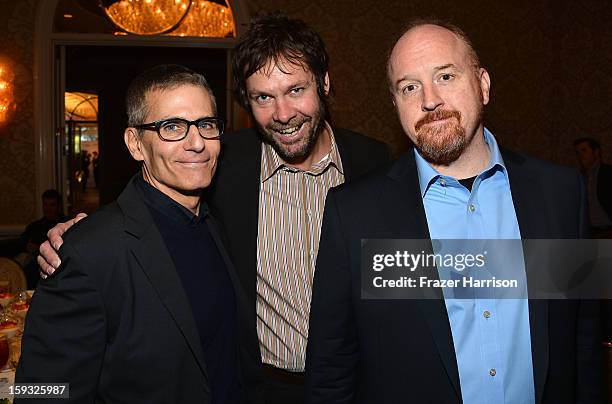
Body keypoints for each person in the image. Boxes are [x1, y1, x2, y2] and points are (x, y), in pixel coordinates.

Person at [37, 13, 391, 403]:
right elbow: (42, 388)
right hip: (264, 389)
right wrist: (75, 236)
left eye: (296, 90)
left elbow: (402, 274)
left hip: (359, 385)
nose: (283, 113)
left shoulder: (375, 163)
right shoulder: (228, 165)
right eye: (263, 97)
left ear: (323, 83)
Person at [305, 20, 604, 403]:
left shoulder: (560, 193)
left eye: (445, 76)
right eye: (409, 87)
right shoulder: (355, 213)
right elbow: (332, 368)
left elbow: (584, 341)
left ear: (483, 85)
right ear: (395, 103)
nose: (429, 99)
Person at [17, 64, 242, 403]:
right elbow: (39, 392)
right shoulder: (86, 252)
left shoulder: (216, 224)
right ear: (136, 144)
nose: (197, 143)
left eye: (206, 125)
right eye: (172, 127)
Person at [17, 189, 67, 288]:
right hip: (35, 270)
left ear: (58, 206)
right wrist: (27, 245)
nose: (48, 209)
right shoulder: (35, 226)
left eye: (52, 205)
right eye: (45, 204)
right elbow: (21, 241)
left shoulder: (66, 225)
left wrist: (39, 248)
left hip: (58, 268)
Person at [574, 137, 612, 233]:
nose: (580, 155)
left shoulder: (608, 173)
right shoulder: (579, 178)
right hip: (588, 233)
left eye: (584, 150)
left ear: (596, 152)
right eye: (577, 152)